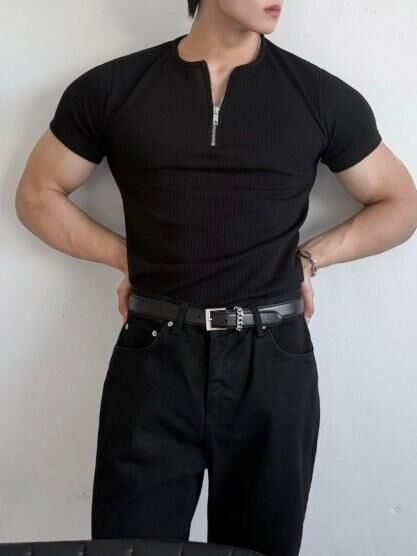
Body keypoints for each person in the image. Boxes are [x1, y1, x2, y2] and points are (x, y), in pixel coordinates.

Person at [15, 1, 417, 555]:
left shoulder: (320, 96)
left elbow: (399, 203)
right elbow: (37, 195)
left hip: (272, 360)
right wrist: (128, 259)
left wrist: (309, 259)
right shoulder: (112, 88)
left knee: (261, 547)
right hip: (154, 355)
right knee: (131, 545)